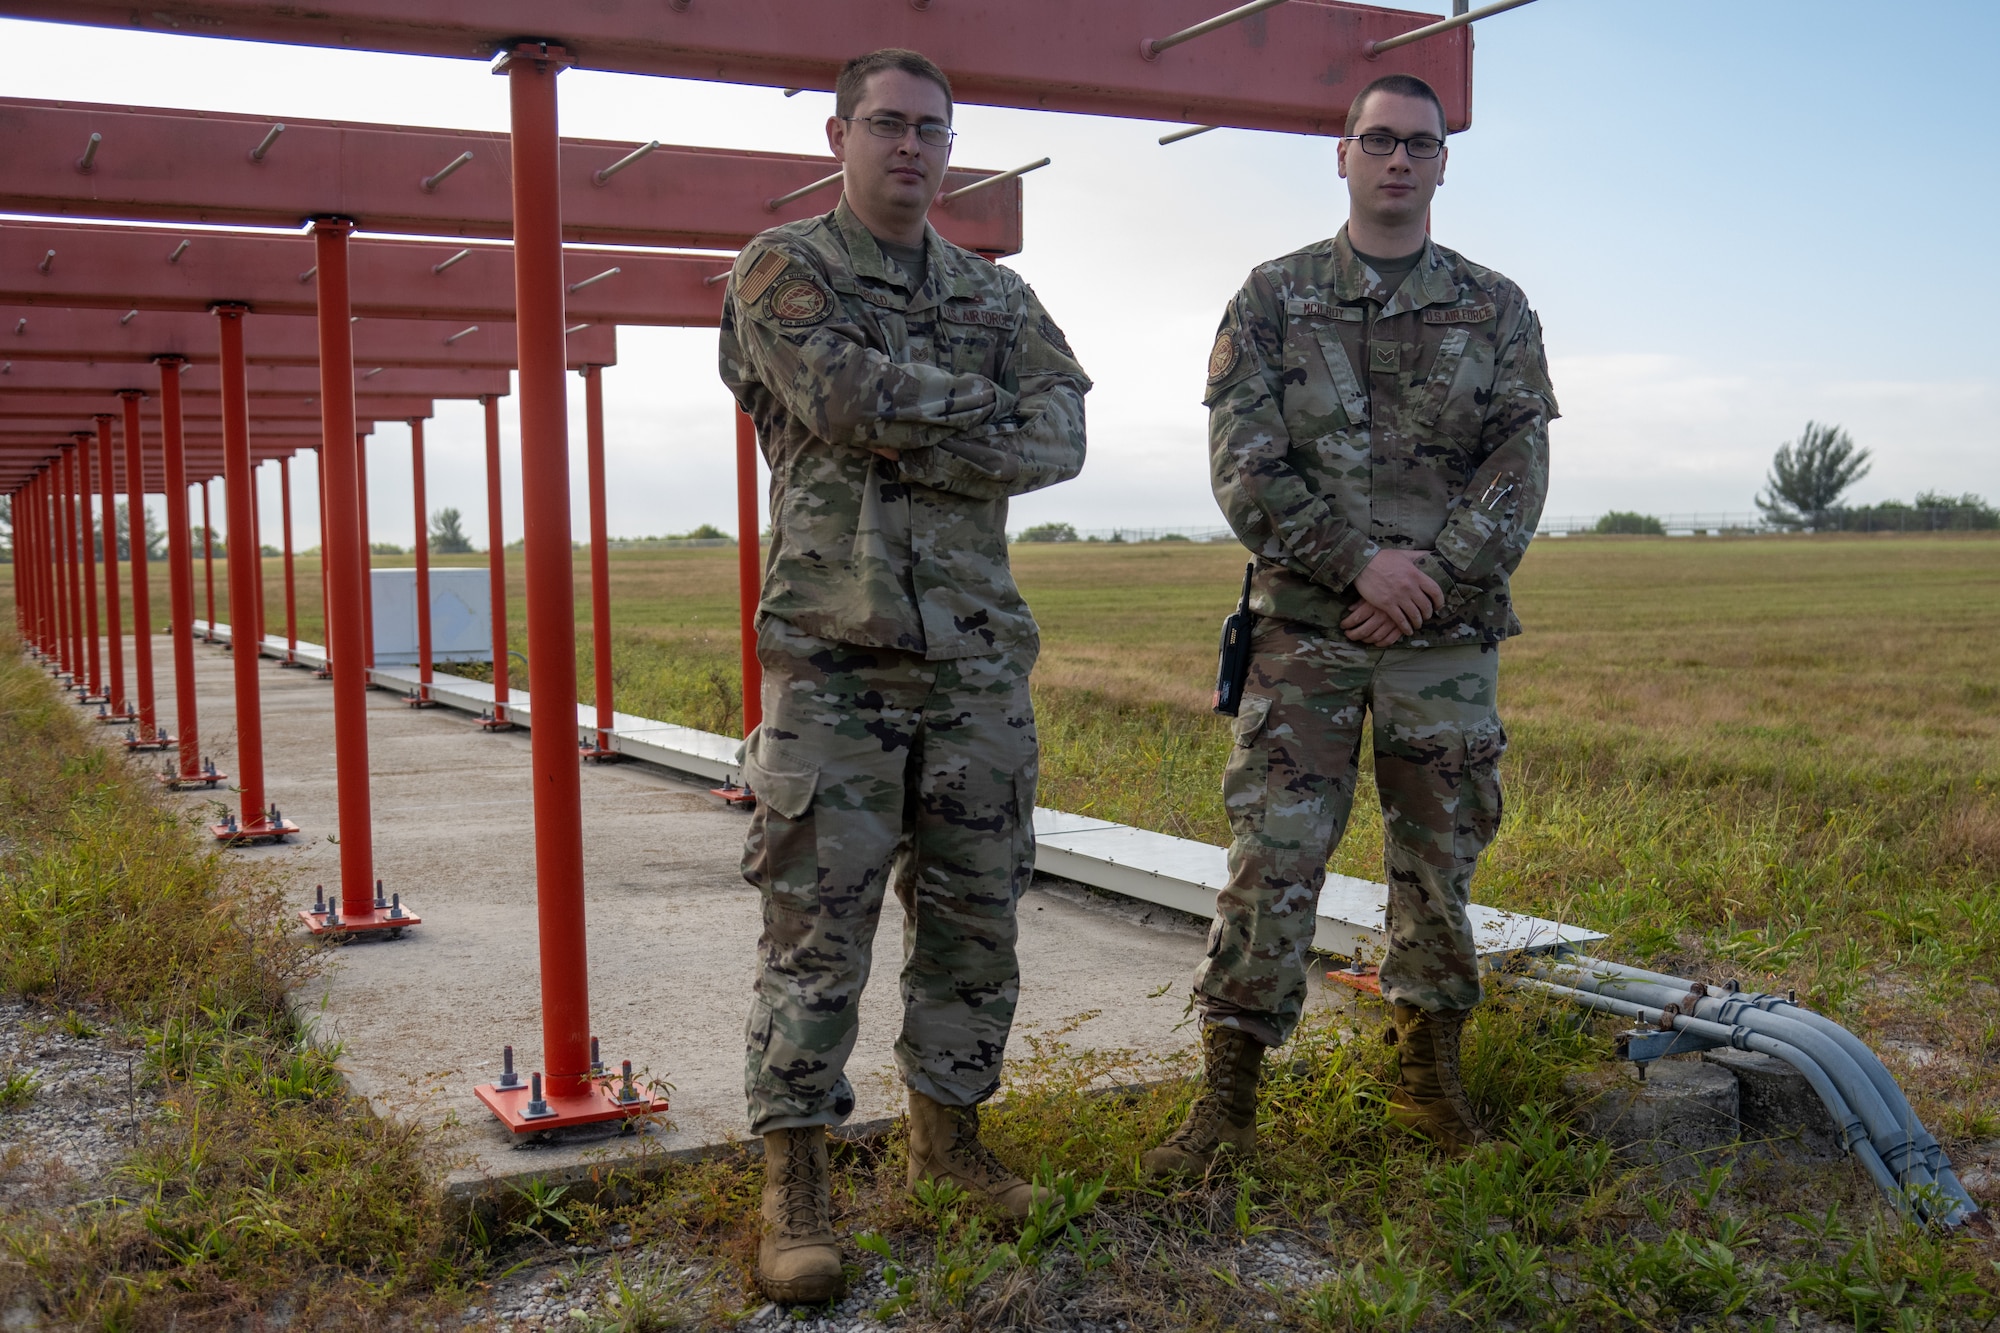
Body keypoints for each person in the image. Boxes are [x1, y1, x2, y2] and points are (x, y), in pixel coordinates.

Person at [718, 47, 1091, 1304]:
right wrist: (969, 417)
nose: (911, 148)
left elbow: (1063, 432)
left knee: (977, 920)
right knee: (817, 936)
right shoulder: (785, 268)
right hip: (838, 661)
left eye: (931, 129)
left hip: (978, 663)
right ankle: (796, 1182)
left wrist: (917, 420)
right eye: (886, 124)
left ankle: (950, 1144)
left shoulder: (993, 291)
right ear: (838, 135)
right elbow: (837, 396)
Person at [1144, 73, 1556, 1177]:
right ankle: (1226, 1103)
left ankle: (1430, 1081)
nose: (1396, 161)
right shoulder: (1271, 298)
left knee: (1439, 861)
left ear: (1439, 164)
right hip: (1305, 633)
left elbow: (1519, 464)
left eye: (1417, 145)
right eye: (1376, 141)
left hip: (1444, 638)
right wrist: (1357, 568)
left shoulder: (1496, 307)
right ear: (1340, 155)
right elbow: (1246, 464)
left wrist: (1429, 576)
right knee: (1271, 857)